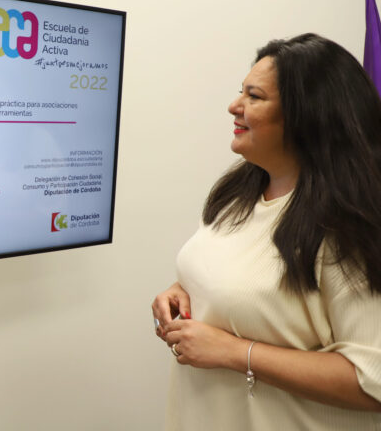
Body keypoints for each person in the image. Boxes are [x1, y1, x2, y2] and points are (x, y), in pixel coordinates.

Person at [151, 33, 381, 430]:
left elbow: (372, 380)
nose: (234, 106)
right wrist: (186, 290)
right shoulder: (240, 191)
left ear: (307, 115)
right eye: (241, 91)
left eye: (254, 96)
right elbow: (251, 281)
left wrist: (236, 352)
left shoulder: (348, 224)